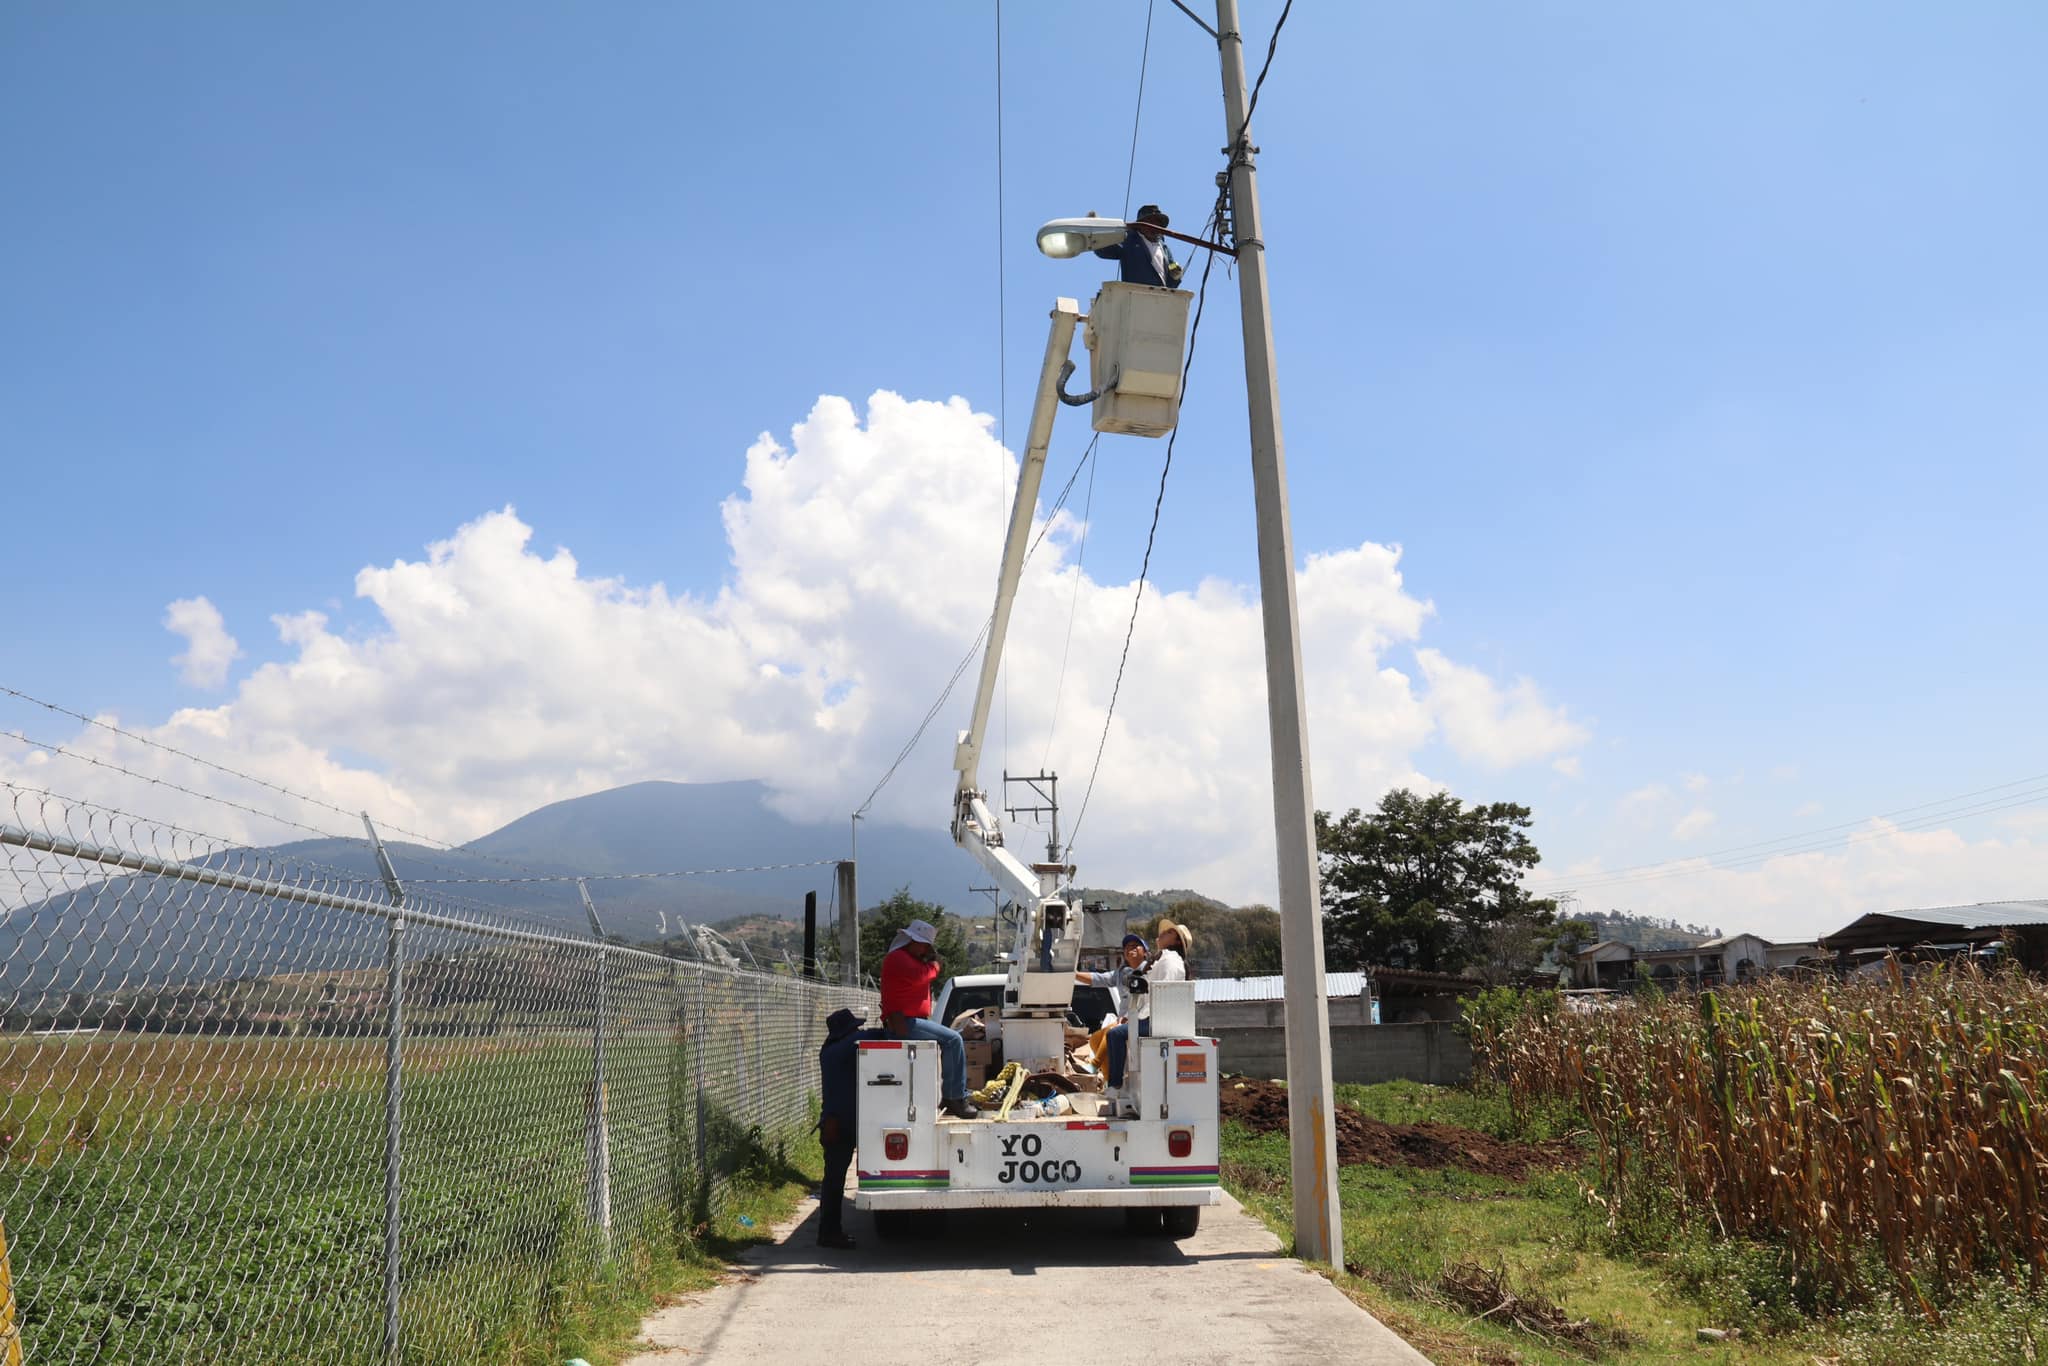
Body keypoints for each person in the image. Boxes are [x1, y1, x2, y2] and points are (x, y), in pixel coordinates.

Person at [878, 919, 980, 1119]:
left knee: (953, 1037)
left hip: (907, 1021)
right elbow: (923, 975)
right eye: (924, 945)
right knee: (953, 1040)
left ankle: (952, 1094)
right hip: (904, 1022)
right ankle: (955, 1097)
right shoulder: (899, 958)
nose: (926, 949)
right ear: (912, 941)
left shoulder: (904, 957)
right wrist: (934, 964)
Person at [1075, 932, 1180, 1104]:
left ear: (1145, 952)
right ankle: (1110, 1080)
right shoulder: (1121, 974)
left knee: (1113, 1032)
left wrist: (1131, 1018)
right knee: (1095, 1040)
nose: (1129, 950)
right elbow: (1097, 979)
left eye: (1134, 946)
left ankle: (1099, 1070)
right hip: (1126, 1019)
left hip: (1140, 1018)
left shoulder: (1150, 970)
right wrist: (1073, 973)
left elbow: (1149, 999)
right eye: (1126, 948)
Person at [815, 1006, 867, 1250]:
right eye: (855, 1027)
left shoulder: (830, 1050)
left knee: (833, 1180)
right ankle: (829, 1233)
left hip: (835, 1122)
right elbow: (870, 1037)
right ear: (847, 1031)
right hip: (839, 1123)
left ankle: (829, 1231)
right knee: (834, 1182)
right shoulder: (843, 1048)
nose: (858, 1030)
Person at [1090, 204, 1184, 289]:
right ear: (1140, 225)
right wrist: (1095, 232)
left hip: (1160, 299)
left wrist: (1176, 275)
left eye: (1157, 223)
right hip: (1137, 298)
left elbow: (1171, 272)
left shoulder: (1165, 248)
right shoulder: (1129, 241)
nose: (1154, 226)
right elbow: (1103, 250)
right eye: (1150, 222)